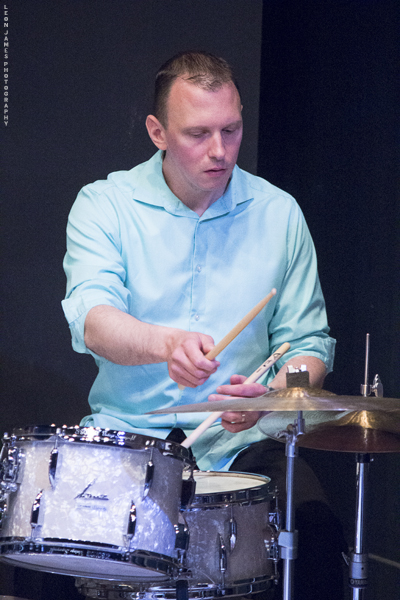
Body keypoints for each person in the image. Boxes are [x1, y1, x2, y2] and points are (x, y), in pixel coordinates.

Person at [62, 51, 346, 599]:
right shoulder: (105, 205)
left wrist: (272, 397)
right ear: (158, 133)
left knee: (315, 529)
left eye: (231, 130)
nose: (220, 150)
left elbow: (308, 345)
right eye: (198, 134)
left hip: (245, 446)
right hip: (134, 437)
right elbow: (94, 320)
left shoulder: (279, 213)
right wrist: (164, 344)